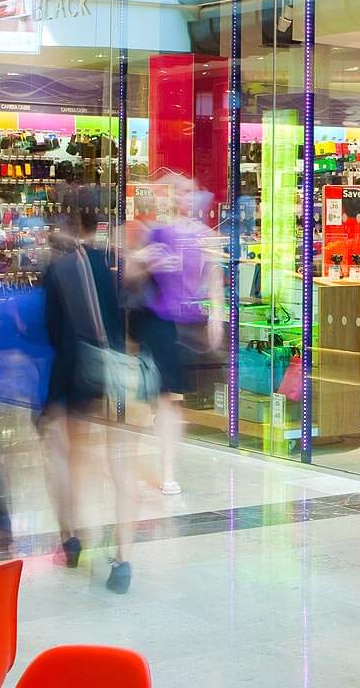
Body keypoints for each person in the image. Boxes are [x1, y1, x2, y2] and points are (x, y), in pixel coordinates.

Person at [39, 186, 139, 593]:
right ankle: (124, 560)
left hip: (74, 372)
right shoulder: (116, 263)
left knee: (70, 458)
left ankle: (73, 537)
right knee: (121, 465)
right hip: (116, 372)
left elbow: (50, 330)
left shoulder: (57, 269)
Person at [129, 177, 219, 496]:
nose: (185, 197)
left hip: (189, 324)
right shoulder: (157, 232)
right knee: (161, 399)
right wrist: (143, 260)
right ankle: (155, 468)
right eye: (179, 191)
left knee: (170, 401)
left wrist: (217, 318)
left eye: (190, 192)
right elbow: (131, 273)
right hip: (158, 323)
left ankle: (167, 470)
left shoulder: (205, 237)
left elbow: (215, 279)